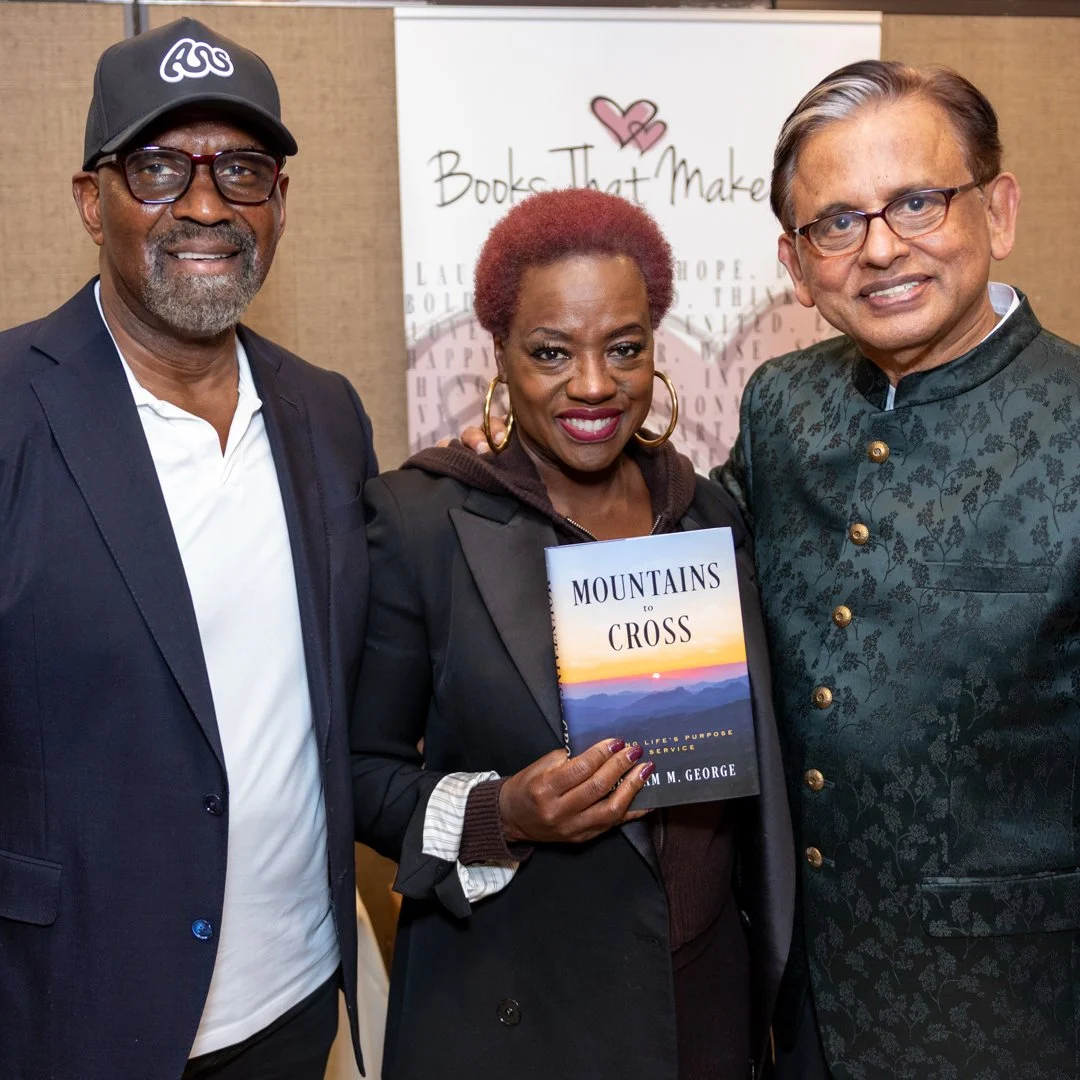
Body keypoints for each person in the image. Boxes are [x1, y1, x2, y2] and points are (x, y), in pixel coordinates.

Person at [0, 19, 376, 1079]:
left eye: (242, 170)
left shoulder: (327, 414)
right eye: (161, 167)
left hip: (297, 1009)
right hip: (71, 1021)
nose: (206, 205)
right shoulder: (7, 414)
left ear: (281, 204)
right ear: (92, 200)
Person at [350, 188, 794, 1080]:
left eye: (624, 348)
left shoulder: (707, 515)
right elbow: (359, 775)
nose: (593, 384)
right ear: (502, 356)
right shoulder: (423, 521)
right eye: (551, 352)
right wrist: (500, 813)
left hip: (704, 1006)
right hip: (520, 1013)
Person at [716, 60, 1080, 1079]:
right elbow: (694, 549)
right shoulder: (781, 406)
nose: (880, 247)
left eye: (917, 200)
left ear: (997, 210)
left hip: (1024, 1013)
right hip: (804, 1003)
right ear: (798, 266)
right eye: (836, 223)